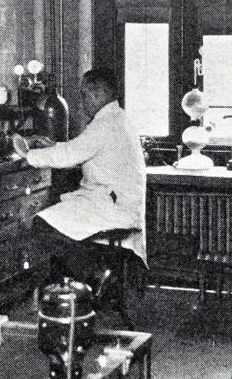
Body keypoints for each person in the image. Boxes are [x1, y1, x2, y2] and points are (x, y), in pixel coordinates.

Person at [13, 67, 147, 294]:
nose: (83, 102)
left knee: (42, 225)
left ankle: (93, 277)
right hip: (117, 203)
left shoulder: (105, 123)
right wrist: (54, 146)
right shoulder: (117, 118)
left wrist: (28, 155)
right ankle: (79, 284)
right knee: (56, 224)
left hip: (112, 208)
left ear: (97, 94)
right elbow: (82, 148)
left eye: (84, 95)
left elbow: (71, 155)